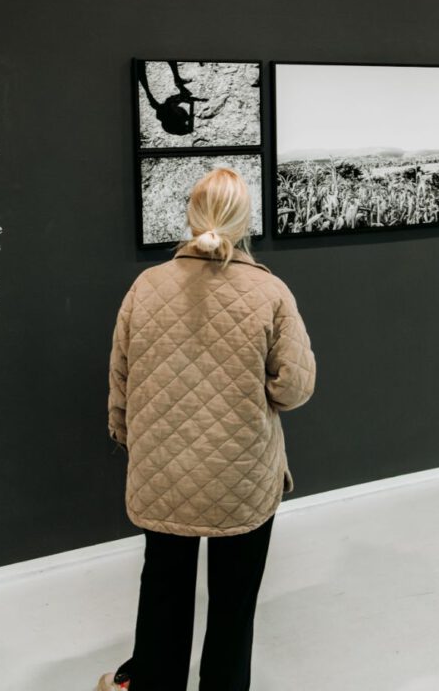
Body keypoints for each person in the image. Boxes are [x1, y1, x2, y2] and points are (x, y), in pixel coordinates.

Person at [98, 167, 316, 691]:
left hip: (162, 473)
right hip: (240, 477)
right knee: (234, 605)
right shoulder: (270, 293)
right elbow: (295, 387)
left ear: (190, 218)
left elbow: (120, 384)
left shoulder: (145, 287)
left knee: (163, 590)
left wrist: (133, 442)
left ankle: (152, 682)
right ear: (245, 223)